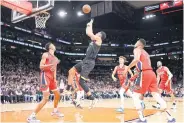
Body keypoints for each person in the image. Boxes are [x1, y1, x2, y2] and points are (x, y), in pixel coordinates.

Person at [123, 39, 175, 123]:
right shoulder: (146, 53)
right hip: (152, 74)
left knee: (135, 96)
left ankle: (142, 119)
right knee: (157, 96)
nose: (135, 43)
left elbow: (136, 60)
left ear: (140, 44)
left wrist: (127, 68)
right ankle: (170, 118)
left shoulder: (137, 49)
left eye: (136, 42)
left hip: (145, 74)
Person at [66, 19, 106, 108]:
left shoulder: (99, 40)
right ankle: (68, 88)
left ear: (100, 35)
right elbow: (88, 32)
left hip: (90, 62)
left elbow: (89, 33)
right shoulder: (94, 40)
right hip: (85, 61)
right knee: (71, 71)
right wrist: (89, 25)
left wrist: (90, 24)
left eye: (98, 32)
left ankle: (92, 99)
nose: (97, 33)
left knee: (81, 81)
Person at [27, 42, 63, 123]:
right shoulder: (45, 54)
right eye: (53, 44)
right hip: (45, 76)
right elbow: (41, 67)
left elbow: (54, 70)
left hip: (52, 78)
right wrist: (50, 65)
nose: (54, 45)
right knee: (46, 98)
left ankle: (55, 110)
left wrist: (55, 79)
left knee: (57, 94)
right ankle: (31, 116)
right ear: (50, 47)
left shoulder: (56, 58)